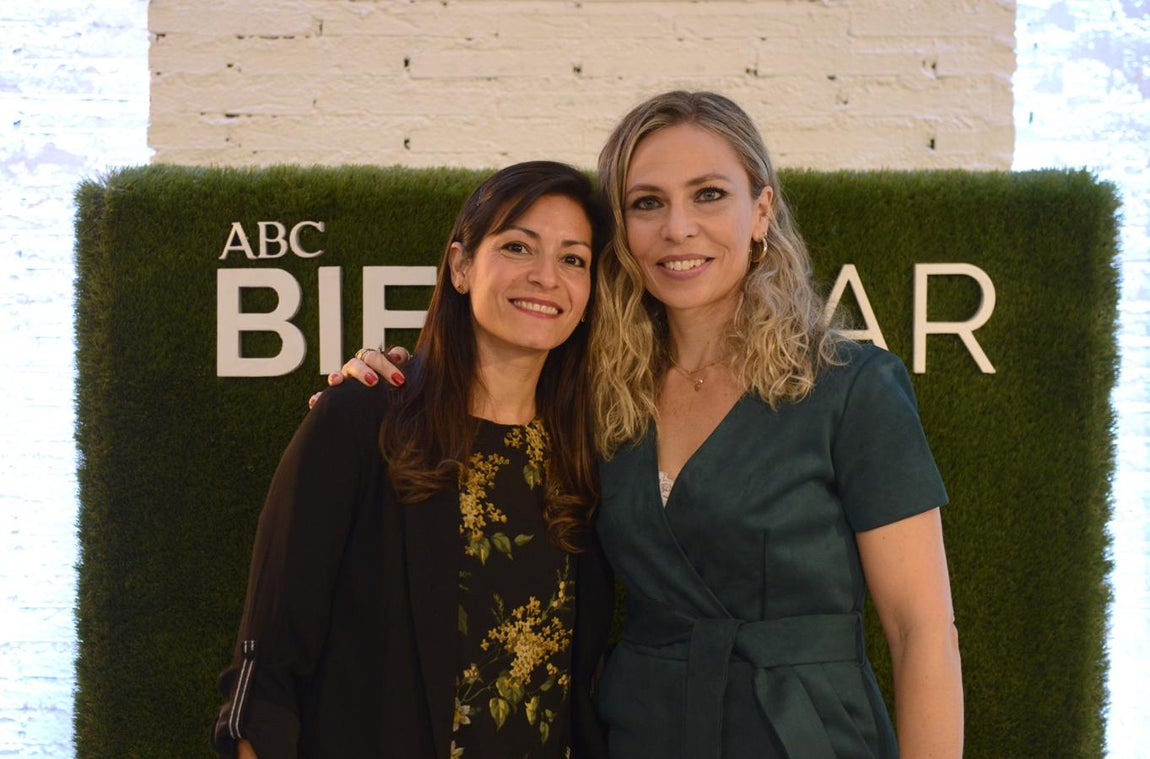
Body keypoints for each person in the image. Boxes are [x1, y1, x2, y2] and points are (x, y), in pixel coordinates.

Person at [332, 91, 964, 758]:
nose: (678, 228)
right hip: (638, 732)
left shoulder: (852, 385)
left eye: (710, 195)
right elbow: (480, 395)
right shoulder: (594, 391)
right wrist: (387, 379)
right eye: (647, 203)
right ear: (621, 229)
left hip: (806, 735)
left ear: (763, 212)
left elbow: (920, 629)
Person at [212, 160, 615, 759]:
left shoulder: (589, 447)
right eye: (517, 246)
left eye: (573, 259)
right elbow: (268, 663)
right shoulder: (364, 416)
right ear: (459, 266)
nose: (545, 277)